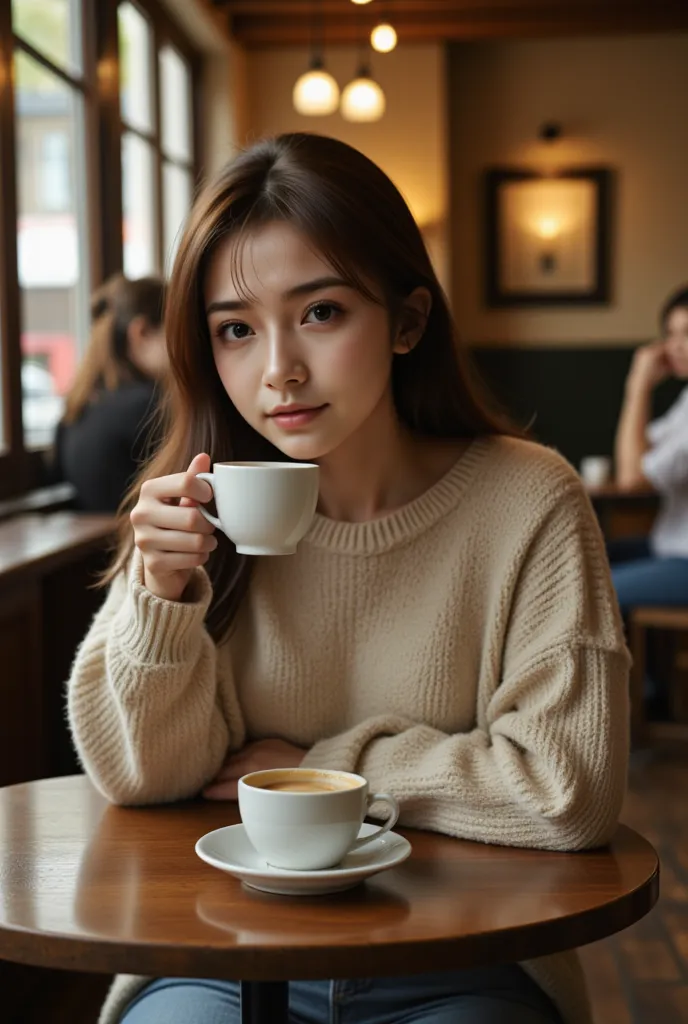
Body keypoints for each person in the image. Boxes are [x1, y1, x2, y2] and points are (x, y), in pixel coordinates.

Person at [67, 134, 630, 1024]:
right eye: (236, 330)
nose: (279, 368)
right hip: (219, 950)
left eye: (321, 312)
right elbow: (143, 778)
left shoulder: (528, 500)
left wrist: (327, 769)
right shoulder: (194, 513)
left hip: (463, 954)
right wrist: (159, 601)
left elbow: (568, 792)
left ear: (407, 322)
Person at [52, 273, 167, 512]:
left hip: (95, 546)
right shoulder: (146, 406)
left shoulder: (77, 407)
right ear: (142, 332)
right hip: (136, 544)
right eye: (179, 332)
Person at [610, 285, 688, 614]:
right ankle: (649, 667)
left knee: (586, 588)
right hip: (667, 548)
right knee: (575, 559)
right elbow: (638, 451)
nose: (676, 346)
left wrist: (638, 385)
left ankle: (646, 668)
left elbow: (631, 478)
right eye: (670, 333)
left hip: (683, 559)